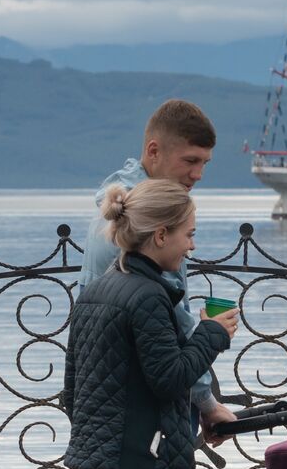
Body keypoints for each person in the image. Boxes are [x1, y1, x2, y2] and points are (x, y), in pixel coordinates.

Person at [63, 180, 239, 469]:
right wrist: (212, 334)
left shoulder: (96, 289)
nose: (191, 246)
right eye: (188, 235)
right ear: (160, 235)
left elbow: (72, 387)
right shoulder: (148, 296)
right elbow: (169, 378)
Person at [79, 100, 236, 447]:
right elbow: (171, 324)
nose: (198, 175)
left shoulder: (118, 206)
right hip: (142, 408)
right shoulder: (147, 222)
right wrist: (207, 403)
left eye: (205, 163)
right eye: (190, 161)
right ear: (154, 150)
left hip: (104, 396)